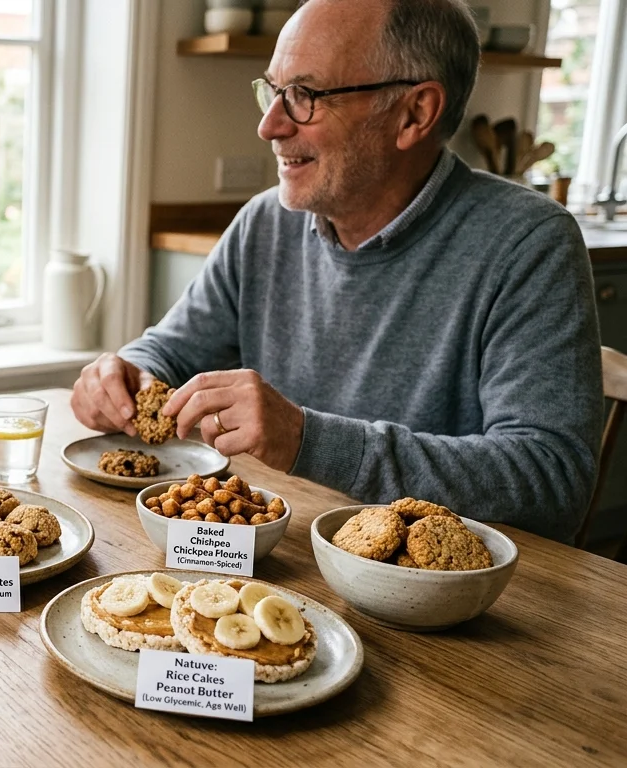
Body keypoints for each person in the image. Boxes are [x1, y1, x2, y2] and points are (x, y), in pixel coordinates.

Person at [71, 0, 602, 542]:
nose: (268, 125)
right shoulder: (265, 223)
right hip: (287, 558)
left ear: (414, 114)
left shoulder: (529, 242)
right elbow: (172, 353)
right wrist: (127, 374)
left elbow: (551, 481)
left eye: (305, 96)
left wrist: (307, 439)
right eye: (272, 91)